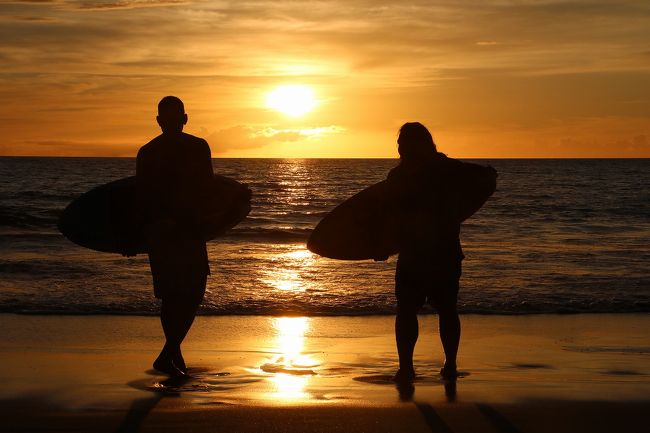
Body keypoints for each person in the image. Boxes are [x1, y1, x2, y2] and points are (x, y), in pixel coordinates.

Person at [383, 122, 496, 382]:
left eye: (403, 143)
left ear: (418, 144)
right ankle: (430, 366)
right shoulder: (443, 169)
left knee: (428, 309)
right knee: (423, 309)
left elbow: (390, 216)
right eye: (399, 143)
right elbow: (390, 216)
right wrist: (382, 246)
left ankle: (421, 367)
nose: (399, 148)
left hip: (428, 254)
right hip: (433, 252)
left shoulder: (404, 176)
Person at [123, 96, 214, 378]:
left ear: (160, 120)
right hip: (188, 230)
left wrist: (133, 234)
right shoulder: (198, 147)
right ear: (184, 119)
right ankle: (170, 352)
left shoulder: (147, 151)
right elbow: (208, 189)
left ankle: (172, 354)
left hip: (160, 232)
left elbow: (141, 198)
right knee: (191, 293)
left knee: (172, 296)